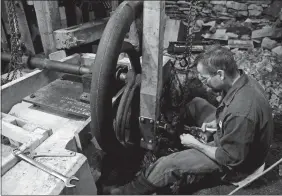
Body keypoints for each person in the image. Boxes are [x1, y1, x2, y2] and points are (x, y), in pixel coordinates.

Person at [104, 45, 274, 195]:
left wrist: (195, 144)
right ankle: (172, 134)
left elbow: (230, 158)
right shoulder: (242, 81)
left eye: (205, 78)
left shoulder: (241, 111)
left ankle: (123, 192)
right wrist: (218, 123)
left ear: (220, 74)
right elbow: (231, 115)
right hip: (236, 137)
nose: (204, 83)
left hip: (237, 165)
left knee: (167, 164)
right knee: (196, 104)